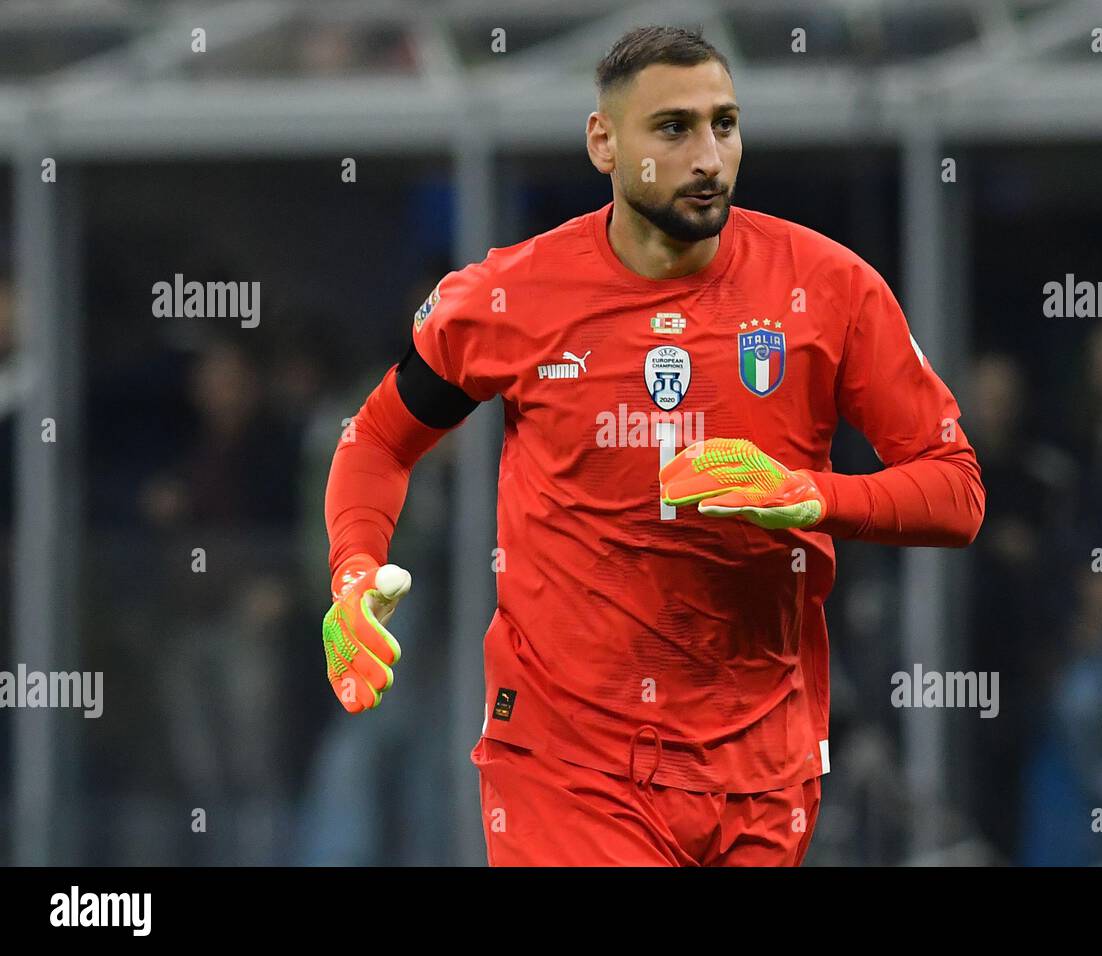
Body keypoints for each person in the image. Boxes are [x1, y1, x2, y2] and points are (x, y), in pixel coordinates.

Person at [321, 25, 985, 867]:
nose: (708, 155)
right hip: (567, 763)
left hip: (762, 763)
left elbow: (957, 492)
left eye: (725, 124)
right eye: (673, 128)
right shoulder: (508, 298)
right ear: (604, 142)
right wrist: (350, 574)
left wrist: (814, 494)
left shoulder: (830, 289)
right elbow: (377, 439)